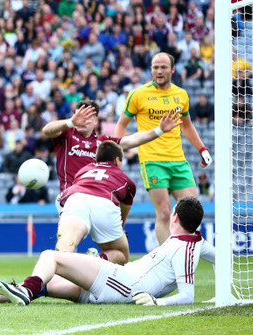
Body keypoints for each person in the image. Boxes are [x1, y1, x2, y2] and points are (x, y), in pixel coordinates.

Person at [0, 196, 215, 306]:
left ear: (175, 217)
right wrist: (224, 294)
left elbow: (188, 295)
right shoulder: (195, 242)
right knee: (44, 284)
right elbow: (221, 258)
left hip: (122, 283)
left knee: (50, 257)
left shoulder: (183, 247)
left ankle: (24, 292)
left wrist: (158, 302)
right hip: (120, 285)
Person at [114, 52, 213, 245]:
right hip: (152, 160)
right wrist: (120, 151)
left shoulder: (181, 95)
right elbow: (121, 125)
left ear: (172, 69)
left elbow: (187, 125)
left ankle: (181, 250)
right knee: (165, 212)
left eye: (163, 67)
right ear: (151, 70)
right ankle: (168, 260)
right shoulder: (138, 95)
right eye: (155, 67)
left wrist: (202, 149)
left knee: (193, 211)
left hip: (178, 160)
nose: (159, 71)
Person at [42, 100, 181, 214]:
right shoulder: (66, 135)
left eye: (86, 118)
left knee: (117, 245)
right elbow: (47, 130)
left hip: (96, 199)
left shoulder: (102, 141)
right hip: (71, 198)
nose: (81, 121)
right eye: (79, 117)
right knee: (69, 240)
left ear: (95, 121)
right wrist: (71, 122)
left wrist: (159, 130)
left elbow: (132, 140)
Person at [55, 140, 135, 264]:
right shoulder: (127, 181)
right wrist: (121, 230)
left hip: (75, 199)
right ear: (117, 160)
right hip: (104, 203)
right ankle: (96, 260)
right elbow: (122, 214)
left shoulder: (83, 170)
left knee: (66, 244)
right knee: (121, 255)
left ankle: (56, 277)